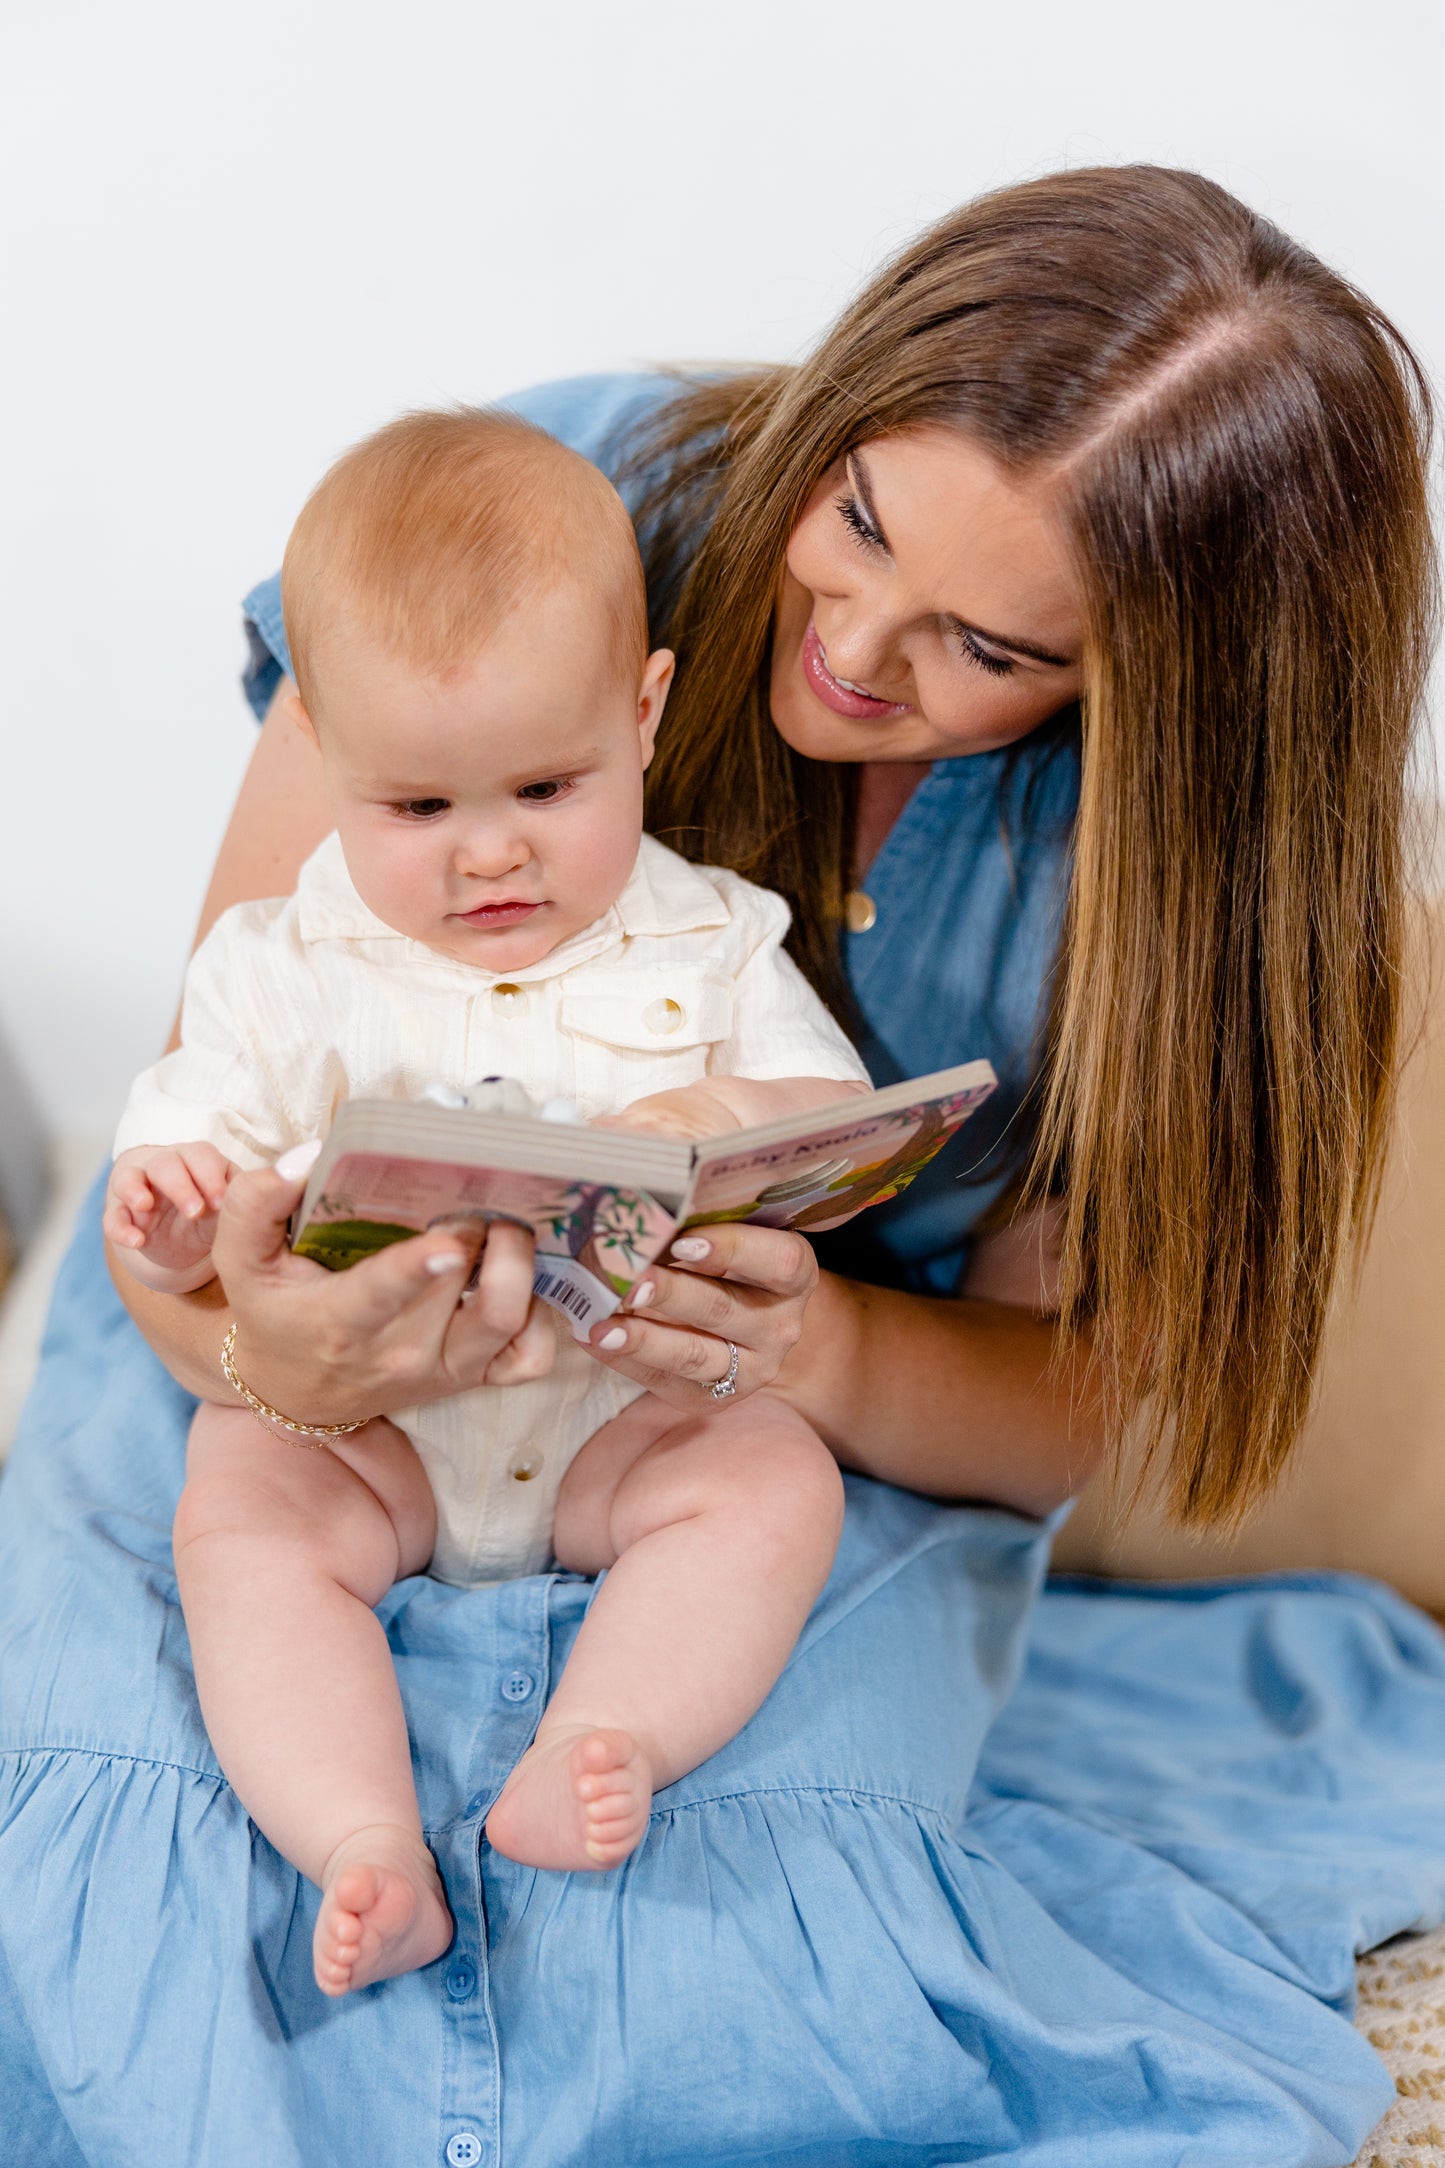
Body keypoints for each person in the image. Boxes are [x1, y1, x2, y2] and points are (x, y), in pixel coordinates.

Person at [2, 165, 1442, 2166]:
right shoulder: (545, 518)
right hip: (269, 1362)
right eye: (853, 521)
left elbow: (1063, 1420)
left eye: (988, 645)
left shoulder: (1176, 892)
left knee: (733, 1961)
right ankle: (353, 1828)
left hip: (749, 1412)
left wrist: (818, 1355)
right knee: (131, 1906)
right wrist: (273, 1351)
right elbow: (215, 1099)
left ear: (1152, 694)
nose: (850, 644)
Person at [105, 406, 868, 1992]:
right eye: (418, 810)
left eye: (544, 784)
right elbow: (184, 1148)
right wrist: (177, 1213)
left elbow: (828, 1127)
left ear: (644, 714)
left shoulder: (715, 939)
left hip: (617, 1425)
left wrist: (729, 1112)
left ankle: (609, 1734)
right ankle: (358, 1837)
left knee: (774, 1483)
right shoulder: (274, 961)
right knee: (239, 1519)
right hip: (359, 1438)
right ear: (316, 748)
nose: (489, 857)